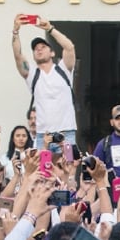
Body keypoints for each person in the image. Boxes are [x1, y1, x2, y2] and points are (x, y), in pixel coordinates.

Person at [12, 14, 77, 148]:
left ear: (52, 53)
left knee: (69, 167)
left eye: (43, 47)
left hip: (67, 133)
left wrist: (49, 28)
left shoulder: (63, 69)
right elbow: (18, 56)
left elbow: (69, 47)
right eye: (36, 49)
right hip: (44, 136)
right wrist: (15, 31)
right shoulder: (32, 74)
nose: (39, 49)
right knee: (44, 168)